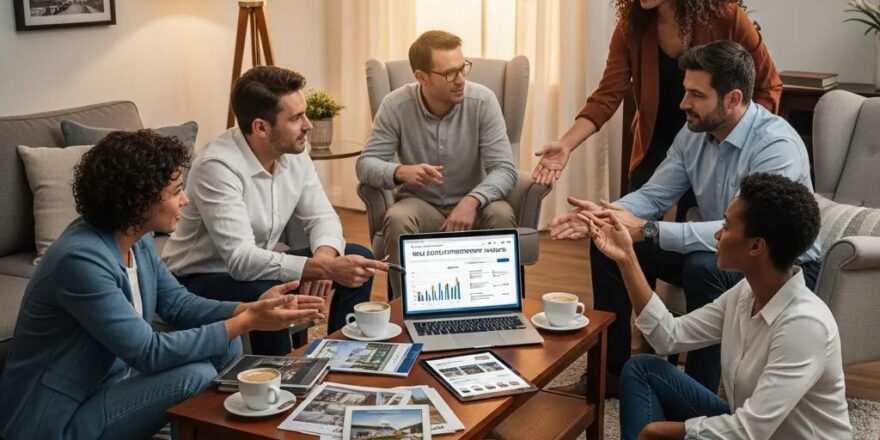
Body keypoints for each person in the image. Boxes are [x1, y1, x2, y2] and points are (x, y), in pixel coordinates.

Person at [0, 131, 324, 440]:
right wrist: (245, 322)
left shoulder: (135, 239)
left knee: (226, 342)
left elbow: (179, 304)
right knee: (193, 375)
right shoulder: (80, 261)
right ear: (139, 200)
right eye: (175, 191)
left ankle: (206, 432)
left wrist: (250, 308)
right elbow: (147, 352)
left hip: (107, 385)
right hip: (56, 421)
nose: (185, 199)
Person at [549, 40, 820, 396]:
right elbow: (654, 194)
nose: (683, 104)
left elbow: (748, 233)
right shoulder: (694, 133)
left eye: (696, 95)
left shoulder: (775, 146)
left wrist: (647, 230)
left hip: (776, 262)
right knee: (609, 246)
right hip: (723, 249)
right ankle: (610, 374)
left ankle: (696, 395)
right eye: (684, 92)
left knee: (703, 267)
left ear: (733, 99)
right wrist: (605, 218)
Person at [581, 173, 851, 439]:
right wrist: (626, 257)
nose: (718, 234)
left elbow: (749, 431)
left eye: (726, 226)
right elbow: (668, 336)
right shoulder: (745, 293)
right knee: (643, 369)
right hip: (750, 430)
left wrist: (663, 431)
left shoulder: (804, 325)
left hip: (753, 433)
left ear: (756, 246)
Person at [162, 66, 388, 356]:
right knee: (270, 291)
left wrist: (323, 260)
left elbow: (322, 216)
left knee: (361, 260)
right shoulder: (218, 167)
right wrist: (323, 268)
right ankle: (283, 377)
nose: (308, 125)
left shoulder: (294, 152)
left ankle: (342, 354)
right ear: (261, 127)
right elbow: (240, 260)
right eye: (295, 118)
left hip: (256, 267)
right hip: (199, 279)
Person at [532, 0, 781, 198]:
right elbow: (606, 97)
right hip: (655, 143)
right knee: (625, 227)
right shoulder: (631, 27)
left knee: (693, 240)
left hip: (713, 142)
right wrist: (565, 145)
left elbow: (768, 86)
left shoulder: (728, 17)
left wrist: (742, 141)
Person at [356, 30, 518, 297]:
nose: (461, 80)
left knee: (501, 214)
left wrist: (473, 199)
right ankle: (404, 310)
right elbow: (365, 164)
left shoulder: (483, 101)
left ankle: (495, 303)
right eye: (449, 74)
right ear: (422, 77)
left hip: (475, 204)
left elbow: (504, 169)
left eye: (462, 69)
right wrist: (399, 171)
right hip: (421, 205)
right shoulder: (395, 105)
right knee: (398, 218)